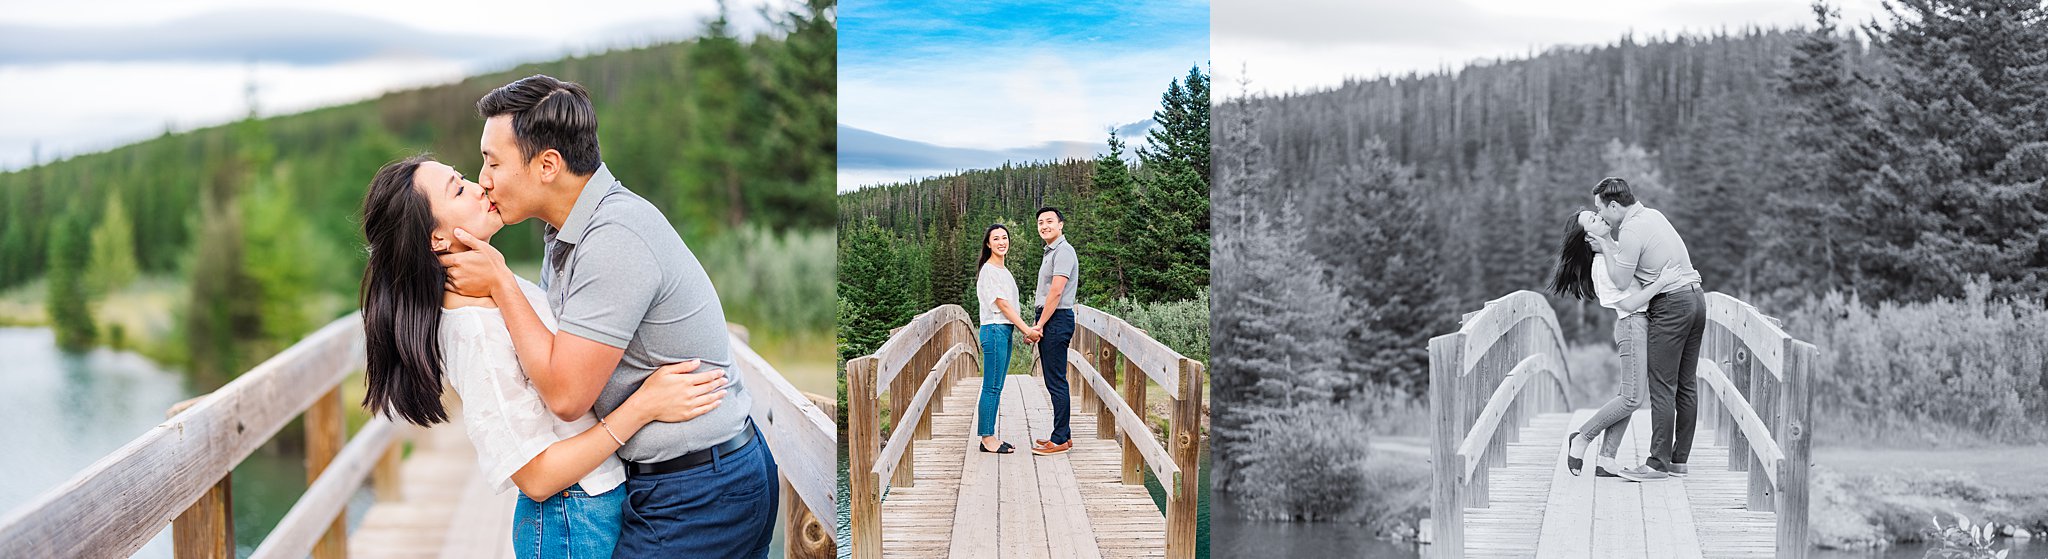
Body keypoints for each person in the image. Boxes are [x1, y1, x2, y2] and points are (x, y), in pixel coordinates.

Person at [440, 75, 778, 558]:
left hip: (701, 490)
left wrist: (501, 282)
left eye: (493, 161)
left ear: (548, 165)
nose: (484, 178)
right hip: (677, 483)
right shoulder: (571, 232)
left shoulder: (614, 237)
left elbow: (567, 395)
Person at [359, 154, 730, 559]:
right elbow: (535, 476)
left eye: (463, 177)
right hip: (570, 518)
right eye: (458, 189)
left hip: (593, 507)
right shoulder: (473, 329)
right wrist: (643, 406)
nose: (479, 185)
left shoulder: (492, 290)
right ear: (437, 240)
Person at [1549, 210, 1687, 481]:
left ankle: (1606, 459)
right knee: (1632, 398)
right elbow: (1627, 304)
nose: (1600, 216)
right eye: (1593, 219)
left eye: (1596, 213)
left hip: (1642, 325)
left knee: (1630, 396)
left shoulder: (1615, 254)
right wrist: (1661, 283)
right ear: (1589, 236)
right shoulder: (1601, 267)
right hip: (1632, 325)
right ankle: (1582, 437)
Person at [1587, 177, 1706, 480]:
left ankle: (1657, 464)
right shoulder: (1654, 215)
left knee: (1662, 385)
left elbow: (1621, 282)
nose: (1600, 215)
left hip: (1671, 305)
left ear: (1614, 205)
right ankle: (1678, 461)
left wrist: (1602, 244)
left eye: (1600, 208)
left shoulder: (1629, 231)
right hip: (1696, 299)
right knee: (1686, 383)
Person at [974, 224, 1038, 454]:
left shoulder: (1003, 271)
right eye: (996, 239)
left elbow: (1010, 306)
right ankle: (987, 438)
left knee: (997, 386)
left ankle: (990, 435)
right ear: (988, 244)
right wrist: (1026, 330)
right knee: (991, 386)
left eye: (1004, 238)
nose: (1002, 242)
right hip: (994, 330)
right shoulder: (989, 270)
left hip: (1004, 330)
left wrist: (1020, 329)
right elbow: (1001, 305)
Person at [1027, 207, 1079, 456]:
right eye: (1040, 222)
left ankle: (1058, 439)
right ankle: (1063, 436)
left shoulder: (1064, 251)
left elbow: (1056, 291)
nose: (1044, 225)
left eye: (1049, 221)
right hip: (1051, 318)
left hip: (1056, 319)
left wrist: (1039, 325)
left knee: (1056, 381)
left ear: (1061, 225)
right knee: (1053, 379)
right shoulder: (1051, 252)